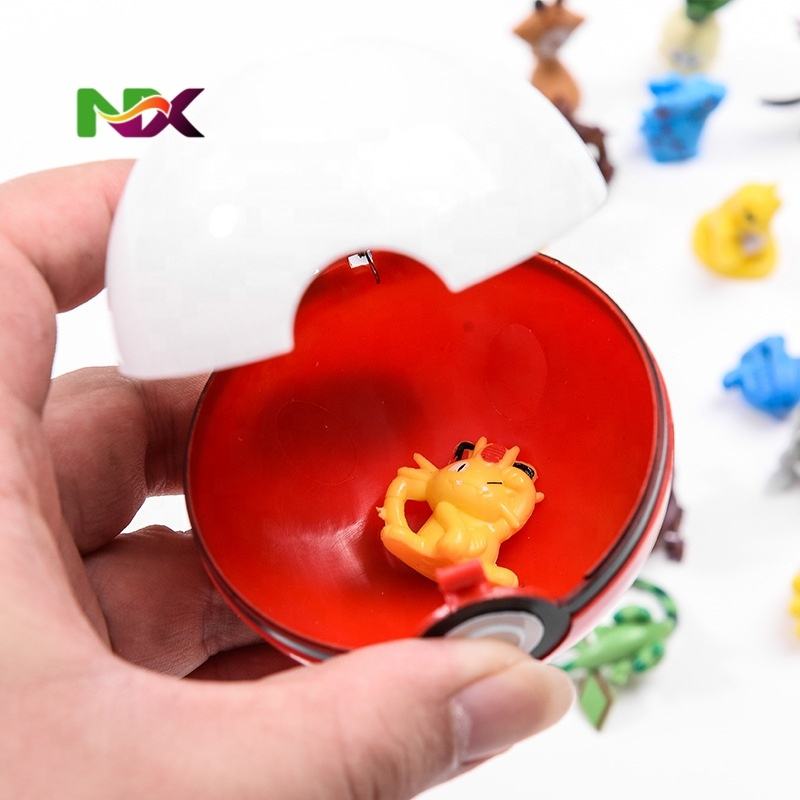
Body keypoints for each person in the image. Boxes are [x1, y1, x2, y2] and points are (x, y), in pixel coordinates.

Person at [0, 161, 572, 799]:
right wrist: (410, 508)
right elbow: (419, 516)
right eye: (473, 467)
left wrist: (421, 507)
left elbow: (440, 513)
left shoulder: (475, 507)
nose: (488, 480)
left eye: (506, 479)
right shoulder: (447, 504)